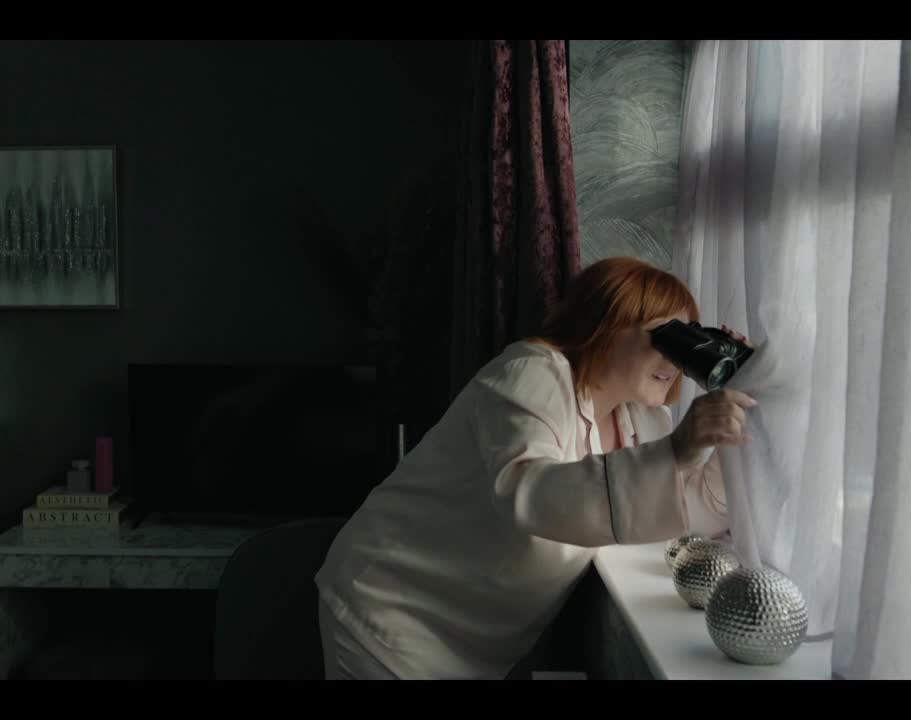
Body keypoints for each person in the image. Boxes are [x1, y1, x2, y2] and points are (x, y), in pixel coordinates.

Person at [314, 257, 756, 680]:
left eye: (688, 337)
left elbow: (692, 507)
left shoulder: (640, 420)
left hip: (471, 640)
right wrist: (677, 450)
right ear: (603, 326)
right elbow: (527, 493)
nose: (676, 357)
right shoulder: (533, 372)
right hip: (390, 610)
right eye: (667, 335)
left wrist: (745, 393)